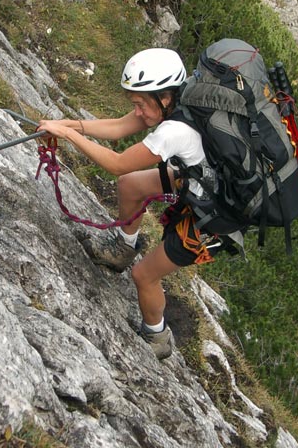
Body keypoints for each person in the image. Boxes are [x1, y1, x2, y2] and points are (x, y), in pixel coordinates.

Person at [37, 48, 224, 360]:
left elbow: (117, 163)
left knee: (144, 276)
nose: (137, 112)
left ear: (165, 97)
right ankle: (124, 246)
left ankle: (157, 337)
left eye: (140, 103)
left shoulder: (174, 130)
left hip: (218, 216)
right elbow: (118, 128)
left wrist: (67, 136)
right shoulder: (179, 102)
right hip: (201, 180)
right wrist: (65, 125)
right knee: (130, 186)